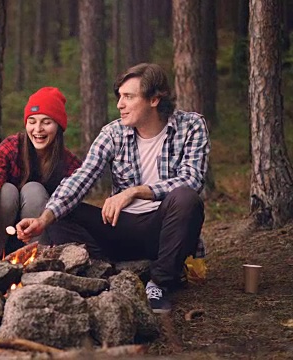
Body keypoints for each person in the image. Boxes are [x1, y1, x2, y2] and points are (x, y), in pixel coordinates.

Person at [16, 63, 210, 314]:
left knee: (186, 199)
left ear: (154, 99)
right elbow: (82, 177)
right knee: (61, 212)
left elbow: (192, 179)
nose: (120, 104)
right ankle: (108, 273)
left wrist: (134, 191)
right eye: (119, 96)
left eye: (128, 97)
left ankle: (159, 283)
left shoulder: (191, 126)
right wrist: (43, 219)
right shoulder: (113, 132)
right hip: (121, 228)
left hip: (163, 229)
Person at [0, 87, 82, 261]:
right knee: (7, 191)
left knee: (34, 190)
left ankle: (38, 265)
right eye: (32, 121)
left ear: (59, 126)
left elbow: (70, 203)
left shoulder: (68, 164)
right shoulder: (11, 146)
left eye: (46, 122)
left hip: (34, 236)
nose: (37, 129)